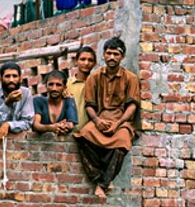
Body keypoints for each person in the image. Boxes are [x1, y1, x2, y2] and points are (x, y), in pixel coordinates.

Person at [76, 37, 140, 198]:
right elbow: (89, 105)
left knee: (122, 142)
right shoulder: (94, 77)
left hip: (122, 121)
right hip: (100, 119)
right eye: (109, 53)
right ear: (103, 54)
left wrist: (118, 123)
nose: (112, 57)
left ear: (122, 57)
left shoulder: (131, 78)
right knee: (83, 136)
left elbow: (132, 106)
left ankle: (102, 185)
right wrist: (97, 121)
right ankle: (100, 177)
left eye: (116, 54)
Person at [0, 61, 34, 145]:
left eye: (15, 76)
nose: (11, 80)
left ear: (20, 79)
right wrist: (7, 103)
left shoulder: (26, 93)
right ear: (0, 80)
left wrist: (8, 125)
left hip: (20, 144)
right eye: (7, 76)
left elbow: (28, 122)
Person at [32, 70, 77, 136]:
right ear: (46, 86)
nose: (54, 88)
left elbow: (71, 125)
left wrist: (61, 127)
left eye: (58, 85)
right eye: (51, 84)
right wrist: (52, 127)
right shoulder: (38, 101)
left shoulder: (69, 101)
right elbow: (36, 126)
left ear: (64, 88)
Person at [65, 46, 97, 133]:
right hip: (70, 134)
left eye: (90, 60)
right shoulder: (67, 84)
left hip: (91, 134)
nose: (86, 63)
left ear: (95, 63)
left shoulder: (97, 84)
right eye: (83, 59)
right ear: (76, 61)